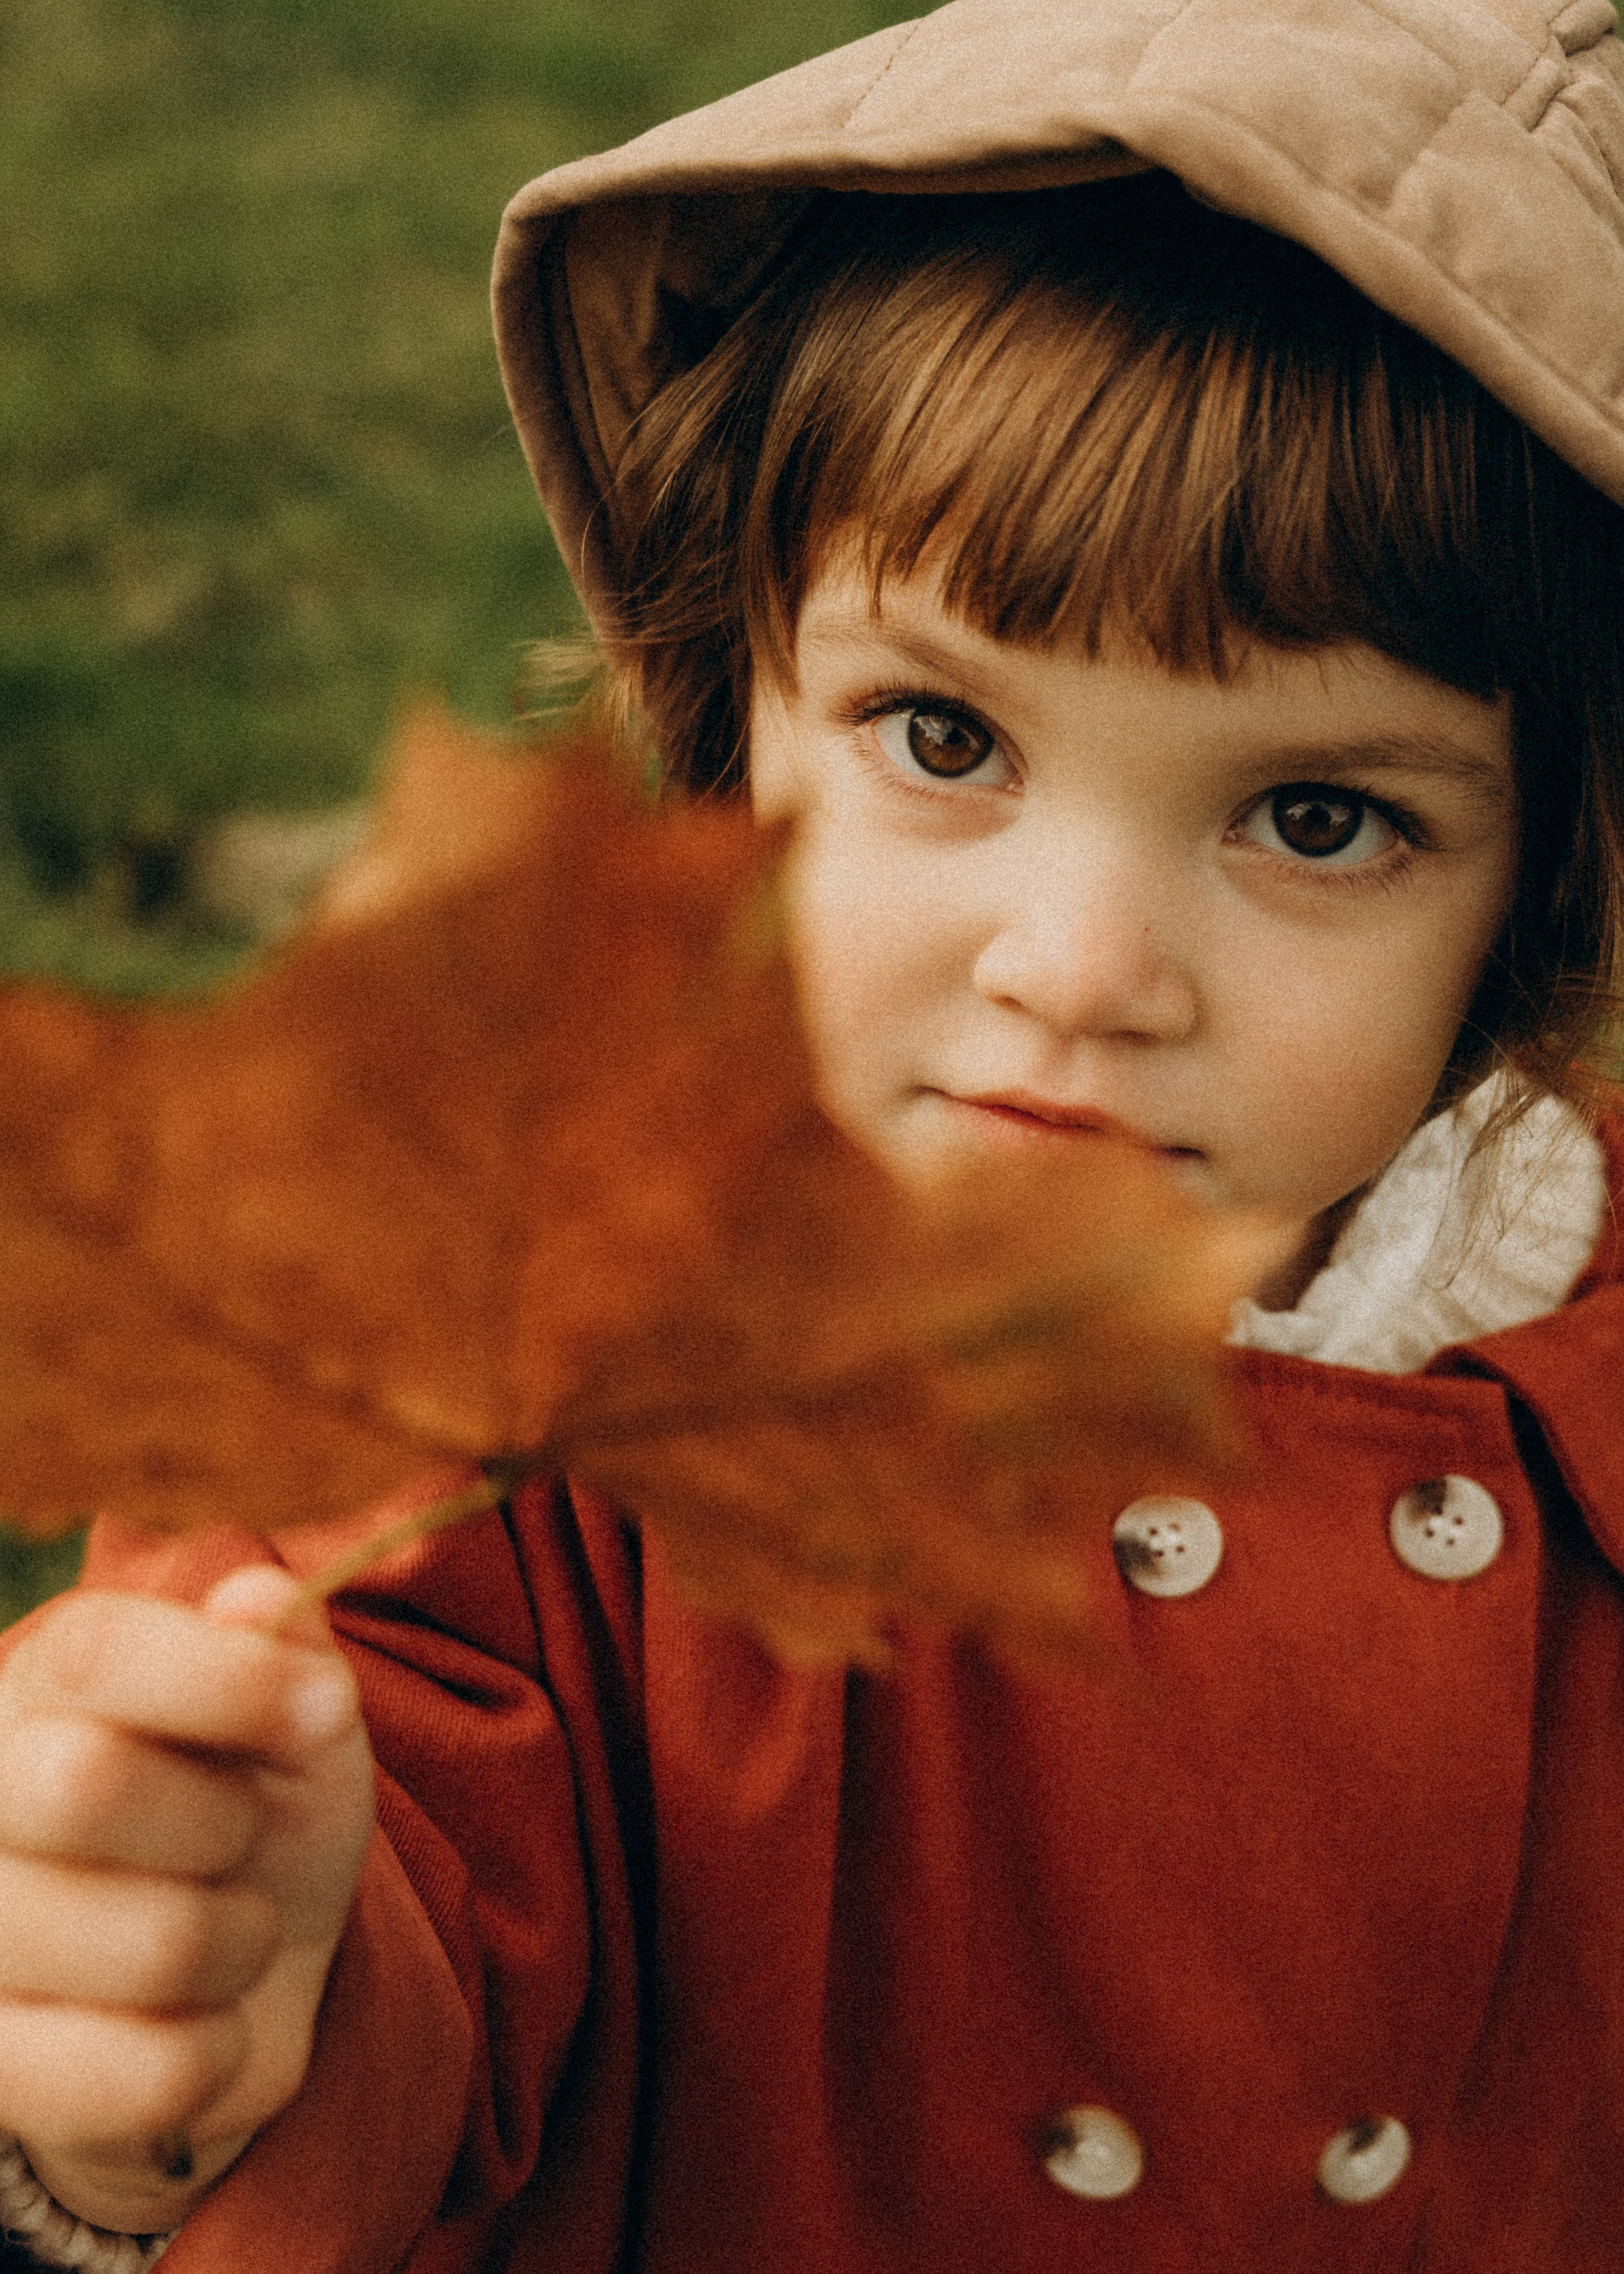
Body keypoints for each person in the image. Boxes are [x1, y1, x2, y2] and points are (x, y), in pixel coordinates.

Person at [1, 0, 1623, 2266]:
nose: (1076, 967)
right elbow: (397, 1932)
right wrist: (203, 2009)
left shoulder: (1581, 1409)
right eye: (942, 734)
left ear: (1538, 886)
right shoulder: (512, 1376)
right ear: (730, 712)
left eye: (1318, 814)